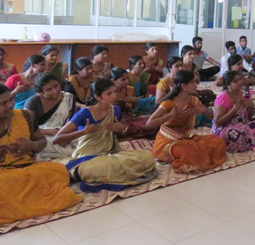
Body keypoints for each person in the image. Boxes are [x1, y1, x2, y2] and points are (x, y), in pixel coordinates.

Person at [53, 79, 157, 191]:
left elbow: (126, 128)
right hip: (88, 157)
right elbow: (57, 139)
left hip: (111, 154)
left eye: (115, 92)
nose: (114, 96)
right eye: (109, 93)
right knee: (92, 170)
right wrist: (83, 132)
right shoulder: (85, 113)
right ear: (97, 97)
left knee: (147, 157)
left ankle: (108, 176)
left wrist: (122, 128)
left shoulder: (115, 110)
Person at [0, 84, 82, 224]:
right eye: (3, 103)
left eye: (11, 100)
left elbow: (42, 141)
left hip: (27, 167)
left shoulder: (24, 115)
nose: (10, 105)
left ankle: (24, 202)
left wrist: (31, 145)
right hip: (3, 173)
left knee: (57, 169)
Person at [147, 70, 226, 173]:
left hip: (185, 139)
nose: (196, 85)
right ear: (184, 86)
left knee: (217, 141)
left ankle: (197, 154)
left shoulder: (193, 100)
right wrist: (170, 115)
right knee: (188, 151)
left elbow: (212, 117)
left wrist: (204, 110)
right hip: (167, 142)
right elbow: (149, 124)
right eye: (193, 82)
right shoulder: (168, 103)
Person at [212, 71, 255, 152]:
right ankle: (251, 141)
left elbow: (248, 117)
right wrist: (234, 110)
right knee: (237, 133)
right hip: (225, 128)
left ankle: (251, 141)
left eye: (240, 80)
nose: (240, 82)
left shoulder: (244, 94)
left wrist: (251, 106)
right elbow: (218, 123)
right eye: (235, 81)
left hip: (242, 125)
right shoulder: (223, 98)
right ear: (228, 85)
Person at [24, 73, 76, 159]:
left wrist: (65, 135)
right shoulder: (33, 102)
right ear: (41, 92)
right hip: (42, 136)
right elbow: (27, 129)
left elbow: (72, 123)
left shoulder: (69, 98)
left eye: (56, 86)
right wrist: (51, 131)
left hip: (63, 134)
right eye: (49, 89)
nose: (55, 91)